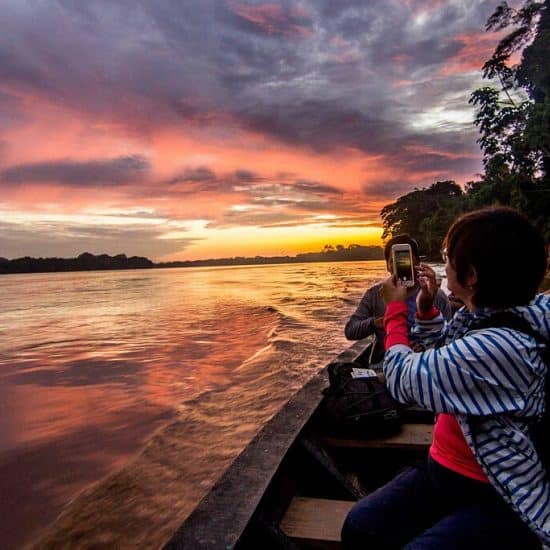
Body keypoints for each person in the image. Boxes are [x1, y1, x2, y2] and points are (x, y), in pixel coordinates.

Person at [341, 206, 549, 548]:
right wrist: (424, 310)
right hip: (443, 469)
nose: (444, 263)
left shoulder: (497, 346)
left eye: (448, 256)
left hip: (495, 490)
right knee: (361, 527)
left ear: (470, 276)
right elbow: (447, 348)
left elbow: (402, 380)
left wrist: (395, 312)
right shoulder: (496, 314)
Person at [345, 234, 451, 365]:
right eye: (392, 261)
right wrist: (374, 323)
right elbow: (350, 331)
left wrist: (424, 347)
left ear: (417, 263)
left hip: (425, 363)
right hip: (383, 364)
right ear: (387, 266)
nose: (399, 266)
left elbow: (448, 338)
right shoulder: (376, 294)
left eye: (405, 260)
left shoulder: (435, 295)